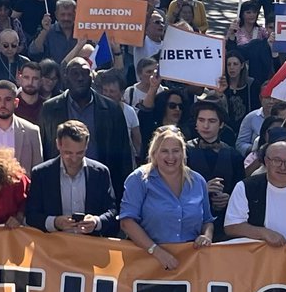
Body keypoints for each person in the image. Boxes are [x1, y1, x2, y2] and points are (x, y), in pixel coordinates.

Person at [119, 126, 213, 270]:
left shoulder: (198, 180)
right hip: (147, 265)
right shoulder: (138, 179)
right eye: (164, 151)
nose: (171, 157)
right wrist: (156, 252)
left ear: (183, 153)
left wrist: (207, 236)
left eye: (176, 151)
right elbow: (127, 222)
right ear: (154, 153)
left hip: (190, 266)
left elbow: (207, 221)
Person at [39, 58, 132, 202]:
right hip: (61, 184)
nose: (80, 78)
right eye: (75, 73)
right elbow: (45, 150)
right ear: (65, 77)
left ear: (92, 77)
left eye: (85, 73)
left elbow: (124, 155)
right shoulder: (50, 109)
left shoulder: (112, 109)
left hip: (101, 185)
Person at [25, 120, 118, 236]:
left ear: (87, 146)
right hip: (53, 247)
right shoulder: (41, 173)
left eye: (80, 153)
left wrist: (96, 222)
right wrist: (55, 222)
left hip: (90, 246)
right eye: (68, 153)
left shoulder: (100, 173)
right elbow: (31, 215)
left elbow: (112, 211)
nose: (74, 159)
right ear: (58, 144)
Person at [185, 99, 245, 237]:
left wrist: (229, 198)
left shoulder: (234, 155)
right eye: (201, 120)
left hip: (224, 224)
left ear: (221, 124)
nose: (205, 125)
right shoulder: (184, 152)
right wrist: (202, 190)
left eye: (212, 121)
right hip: (191, 221)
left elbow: (241, 189)